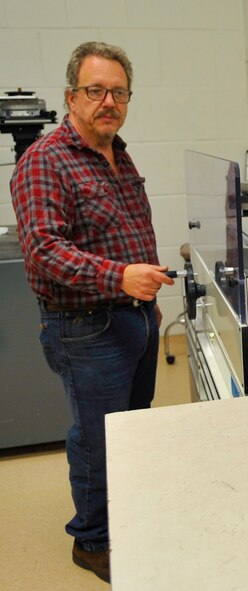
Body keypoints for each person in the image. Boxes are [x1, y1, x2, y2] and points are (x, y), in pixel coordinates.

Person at [10, 41, 174, 583]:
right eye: (96, 90)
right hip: (86, 328)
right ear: (71, 97)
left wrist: (145, 293)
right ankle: (93, 540)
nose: (109, 102)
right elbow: (44, 250)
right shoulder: (45, 160)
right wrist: (120, 277)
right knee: (98, 439)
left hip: (136, 318)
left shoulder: (117, 153)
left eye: (119, 93)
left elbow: (127, 233)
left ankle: (125, 519)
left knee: (132, 431)